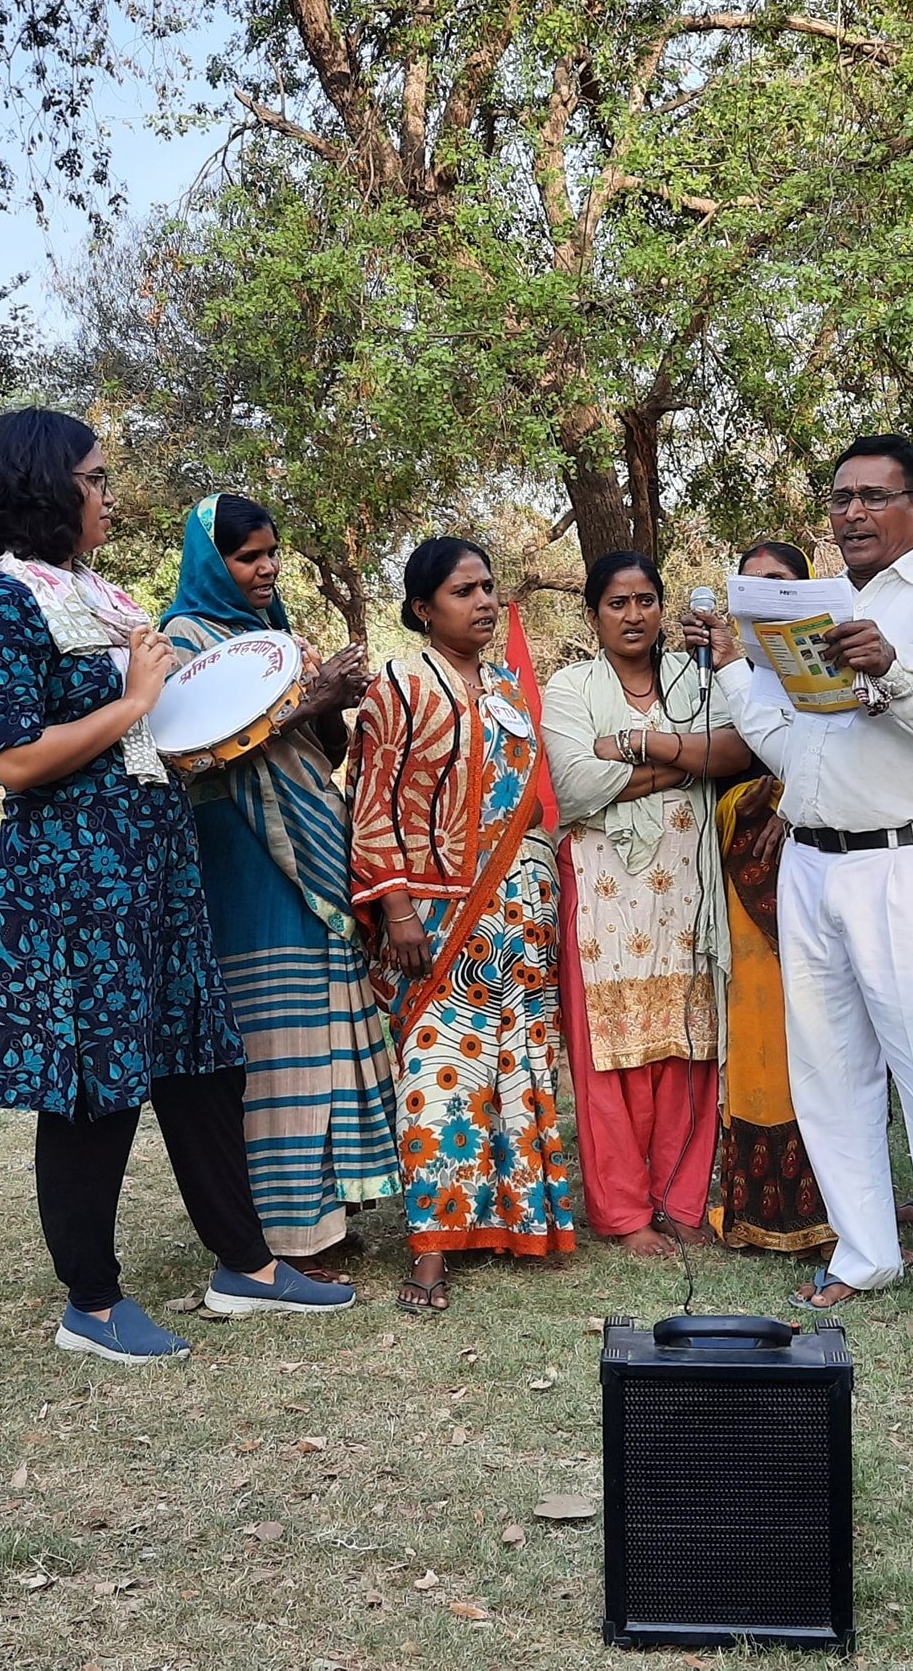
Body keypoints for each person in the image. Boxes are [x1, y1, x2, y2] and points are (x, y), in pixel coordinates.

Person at [0, 408, 356, 1366]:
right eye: (94, 479)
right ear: (44, 488)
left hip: (158, 864)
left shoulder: (101, 599)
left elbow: (171, 736)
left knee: (200, 1061)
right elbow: (16, 760)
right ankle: (91, 1305)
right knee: (96, 1083)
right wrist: (136, 698)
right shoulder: (7, 604)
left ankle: (246, 1266)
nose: (108, 495)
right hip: (76, 877)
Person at [686, 434, 913, 1338]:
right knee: (829, 1068)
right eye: (841, 498)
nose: (852, 513)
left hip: (904, 861)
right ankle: (863, 1251)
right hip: (809, 862)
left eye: (874, 497)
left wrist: (893, 674)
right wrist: (734, 666)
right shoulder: (815, 607)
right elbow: (788, 747)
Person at [160, 494, 402, 1279]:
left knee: (325, 1027)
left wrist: (334, 699)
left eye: (271, 553)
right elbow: (190, 756)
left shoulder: (278, 639)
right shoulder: (182, 642)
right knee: (275, 1042)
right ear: (211, 563)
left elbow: (323, 750)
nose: (266, 568)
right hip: (241, 853)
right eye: (247, 557)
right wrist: (308, 699)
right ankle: (285, 1234)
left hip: (314, 841)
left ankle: (328, 1216)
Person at [349, 537, 576, 1313]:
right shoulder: (400, 687)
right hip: (438, 915)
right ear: (423, 608)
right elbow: (372, 807)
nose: (483, 602)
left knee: (521, 1062)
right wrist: (398, 911)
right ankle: (431, 1250)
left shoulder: (507, 683)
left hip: (521, 910)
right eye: (462, 591)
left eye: (487, 588)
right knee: (437, 1072)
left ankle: (518, 1219)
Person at [543, 550, 745, 1257]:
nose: (634, 615)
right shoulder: (570, 687)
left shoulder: (696, 677)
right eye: (617, 603)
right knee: (611, 1053)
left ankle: (681, 1200)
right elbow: (572, 786)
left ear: (663, 606)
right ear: (593, 614)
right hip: (603, 893)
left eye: (646, 600)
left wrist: (631, 746)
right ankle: (625, 1212)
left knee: (689, 1045)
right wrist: (683, 763)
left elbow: (735, 753)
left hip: (689, 890)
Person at [703, 541, 836, 1253]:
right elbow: (713, 770)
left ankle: (839, 1208)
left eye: (779, 583)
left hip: (823, 869)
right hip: (745, 874)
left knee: (829, 1038)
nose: (764, 598)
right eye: (750, 586)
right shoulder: (720, 676)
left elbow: (849, 759)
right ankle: (757, 1210)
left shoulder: (830, 669)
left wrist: (796, 802)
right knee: (759, 1030)